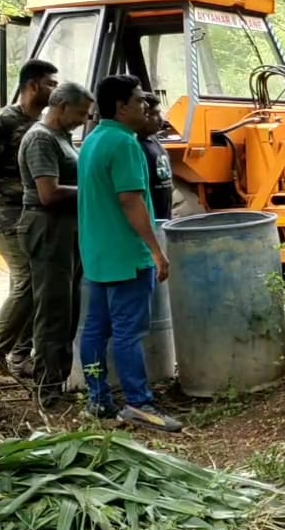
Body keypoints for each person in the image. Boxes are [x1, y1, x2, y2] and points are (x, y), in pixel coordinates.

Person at [77, 74, 182, 433]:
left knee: (95, 329)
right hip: (126, 255)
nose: (145, 106)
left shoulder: (92, 140)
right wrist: (156, 251)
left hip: (97, 255)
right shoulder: (125, 144)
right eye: (139, 101)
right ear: (121, 107)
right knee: (127, 333)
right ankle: (139, 403)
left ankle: (98, 398)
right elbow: (130, 200)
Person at [17, 82, 93, 406]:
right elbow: (48, 194)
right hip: (48, 229)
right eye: (80, 113)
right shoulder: (40, 139)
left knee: (68, 307)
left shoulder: (61, 137)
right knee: (52, 311)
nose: (83, 120)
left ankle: (57, 381)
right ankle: (46, 390)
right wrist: (94, 191)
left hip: (66, 229)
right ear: (61, 107)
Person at [0, 59, 58, 378]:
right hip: (1, 215)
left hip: (29, 215)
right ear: (32, 86)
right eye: (50, 84)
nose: (55, 90)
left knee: (38, 279)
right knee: (27, 278)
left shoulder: (42, 127)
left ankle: (19, 355)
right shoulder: (2, 122)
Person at [137, 94, 172, 222]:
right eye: (154, 114)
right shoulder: (135, 146)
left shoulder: (154, 141)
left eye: (160, 113)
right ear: (142, 115)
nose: (160, 119)